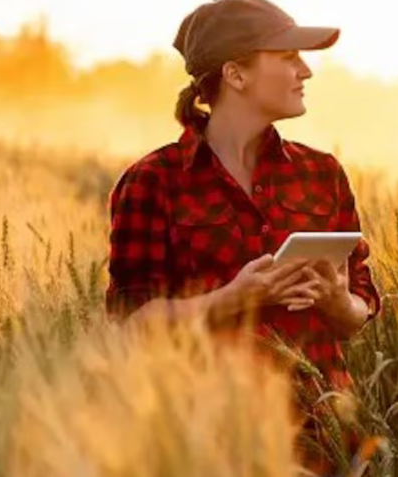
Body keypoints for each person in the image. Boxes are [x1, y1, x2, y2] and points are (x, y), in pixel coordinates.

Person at [103, 0, 381, 473]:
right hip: (209, 443)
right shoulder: (154, 181)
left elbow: (361, 308)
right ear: (236, 75)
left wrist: (338, 301)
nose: (306, 71)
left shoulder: (322, 173)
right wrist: (233, 298)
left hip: (326, 442)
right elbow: (131, 325)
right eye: (288, 57)